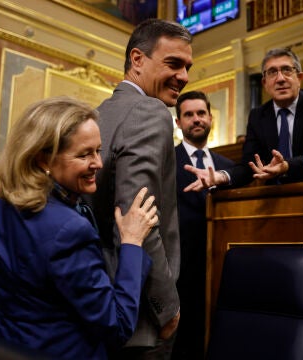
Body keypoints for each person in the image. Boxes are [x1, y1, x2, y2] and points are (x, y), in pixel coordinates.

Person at [0, 96, 159, 359]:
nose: (99, 163)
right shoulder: (69, 230)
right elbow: (117, 325)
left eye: (98, 150)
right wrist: (131, 243)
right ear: (43, 160)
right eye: (85, 154)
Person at [83, 18, 192, 359]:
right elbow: (138, 220)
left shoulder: (99, 113)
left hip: (100, 299)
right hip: (140, 315)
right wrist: (167, 305)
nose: (184, 77)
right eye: (173, 64)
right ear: (137, 59)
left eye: (188, 67)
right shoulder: (150, 110)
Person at [183, 48, 303, 191]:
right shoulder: (257, 116)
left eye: (287, 70)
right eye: (272, 72)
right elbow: (249, 166)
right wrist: (221, 176)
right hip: (272, 199)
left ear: (299, 77)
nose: (280, 78)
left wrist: (286, 166)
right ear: (264, 83)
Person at [171, 91, 234, 360]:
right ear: (178, 122)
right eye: (188, 114)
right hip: (181, 270)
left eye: (201, 113)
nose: (196, 119)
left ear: (210, 118)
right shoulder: (166, 161)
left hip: (223, 266)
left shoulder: (228, 167)